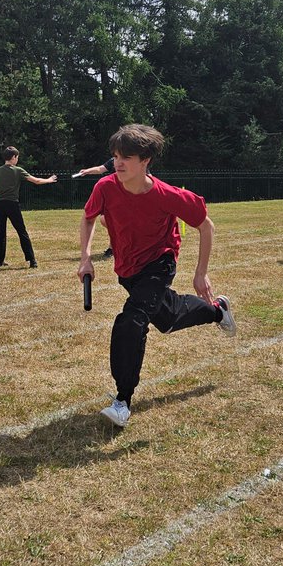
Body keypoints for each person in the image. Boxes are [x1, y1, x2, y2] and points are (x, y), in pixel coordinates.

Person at [78, 123, 236, 429]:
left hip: (159, 264)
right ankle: (218, 311)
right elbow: (87, 219)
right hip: (128, 269)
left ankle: (122, 401)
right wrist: (86, 258)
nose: (118, 163)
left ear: (146, 160)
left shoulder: (168, 195)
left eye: (126, 157)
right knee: (167, 318)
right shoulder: (105, 188)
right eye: (115, 156)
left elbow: (207, 226)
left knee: (132, 319)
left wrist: (200, 273)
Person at [0, 147, 57, 268]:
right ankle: (32, 261)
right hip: (12, 203)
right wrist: (49, 180)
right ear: (13, 157)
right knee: (21, 231)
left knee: (1, 232)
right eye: (17, 157)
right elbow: (36, 181)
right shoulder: (18, 170)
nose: (17, 160)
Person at [76, 155, 116, 258]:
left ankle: (113, 248)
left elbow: (148, 177)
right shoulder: (114, 160)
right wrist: (87, 171)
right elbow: (100, 169)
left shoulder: (137, 159)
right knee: (106, 221)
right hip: (115, 196)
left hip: (130, 196)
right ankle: (114, 247)